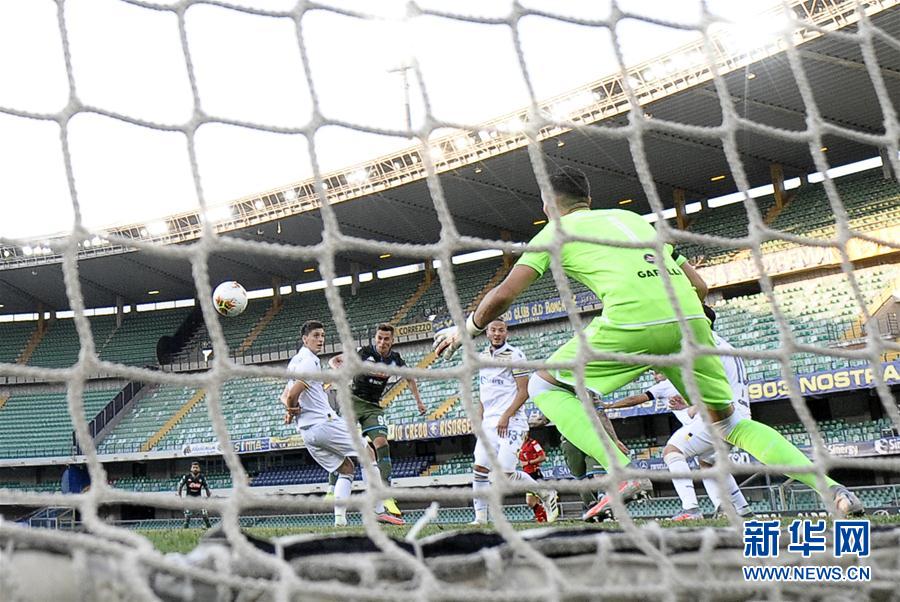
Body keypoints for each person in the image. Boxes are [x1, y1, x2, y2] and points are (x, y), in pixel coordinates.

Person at [434, 166, 863, 521]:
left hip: (632, 321)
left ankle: (622, 472)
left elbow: (505, 294)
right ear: (588, 198)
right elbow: (699, 284)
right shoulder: (636, 220)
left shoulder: (554, 231)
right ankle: (833, 491)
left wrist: (465, 329)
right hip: (690, 321)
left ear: (548, 202)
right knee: (727, 424)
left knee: (544, 385)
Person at [283, 320, 404, 526]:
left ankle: (340, 520)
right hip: (324, 423)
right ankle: (378, 510)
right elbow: (293, 394)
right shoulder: (309, 361)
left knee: (346, 469)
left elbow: (285, 394)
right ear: (305, 339)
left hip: (307, 433)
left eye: (322, 335)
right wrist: (291, 406)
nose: (320, 340)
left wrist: (290, 411)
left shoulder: (294, 362)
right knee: (368, 453)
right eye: (316, 336)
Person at [329, 323, 425, 517]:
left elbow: (410, 378)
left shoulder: (395, 359)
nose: (382, 342)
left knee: (382, 444)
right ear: (375, 338)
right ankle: (332, 488)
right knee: (342, 443)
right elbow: (335, 360)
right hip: (353, 402)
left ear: (392, 341)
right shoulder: (365, 353)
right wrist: (337, 369)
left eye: (386, 339)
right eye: (379, 338)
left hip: (372, 406)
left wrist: (419, 402)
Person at [470, 320, 558, 524]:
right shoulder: (482, 357)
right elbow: (484, 392)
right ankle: (480, 519)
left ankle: (545, 493)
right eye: (493, 330)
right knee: (480, 469)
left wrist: (506, 416)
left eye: (501, 330)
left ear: (506, 332)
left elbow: (524, 391)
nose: (497, 333)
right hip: (488, 423)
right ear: (487, 333)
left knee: (505, 474)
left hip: (512, 422)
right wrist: (478, 418)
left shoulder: (515, 356)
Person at [516, 433, 560, 522]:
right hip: (526, 475)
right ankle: (543, 518)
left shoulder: (533, 443)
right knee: (532, 502)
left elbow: (543, 457)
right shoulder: (518, 445)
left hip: (534, 474)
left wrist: (528, 462)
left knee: (533, 500)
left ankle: (543, 516)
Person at [177, 461, 211, 529]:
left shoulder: (202, 477)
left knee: (204, 513)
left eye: (196, 467)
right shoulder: (186, 477)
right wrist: (179, 496)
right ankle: (185, 528)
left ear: (199, 469)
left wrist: (208, 496)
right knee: (187, 515)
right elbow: (180, 486)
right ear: (191, 468)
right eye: (194, 467)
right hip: (189, 499)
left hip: (199, 499)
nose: (195, 469)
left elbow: (206, 487)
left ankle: (209, 527)